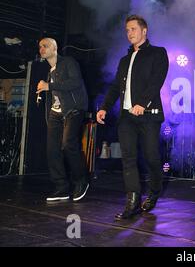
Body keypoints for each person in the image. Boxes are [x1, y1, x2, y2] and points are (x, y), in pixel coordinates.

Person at [96, 15, 169, 221]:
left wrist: (142, 102)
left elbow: (157, 81)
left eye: (133, 29)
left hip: (148, 115)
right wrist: (104, 107)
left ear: (144, 31)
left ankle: (155, 189)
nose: (129, 33)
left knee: (152, 157)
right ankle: (133, 202)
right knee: (128, 159)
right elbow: (115, 86)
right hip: (127, 117)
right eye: (127, 30)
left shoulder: (158, 53)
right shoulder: (124, 59)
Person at [37, 38, 90, 202]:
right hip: (56, 113)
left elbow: (75, 82)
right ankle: (61, 187)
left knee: (68, 144)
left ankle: (81, 180)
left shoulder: (68, 62)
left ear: (54, 48)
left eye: (45, 46)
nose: (41, 49)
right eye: (40, 47)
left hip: (73, 109)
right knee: (52, 150)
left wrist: (49, 86)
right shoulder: (50, 71)